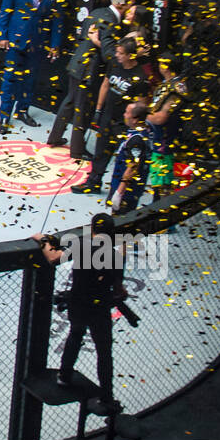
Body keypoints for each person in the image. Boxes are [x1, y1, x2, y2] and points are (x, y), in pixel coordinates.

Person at [47, 212, 125, 412]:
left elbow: (54, 258)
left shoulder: (81, 247)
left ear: (93, 229)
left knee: (75, 335)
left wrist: (43, 240)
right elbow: (119, 289)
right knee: (104, 352)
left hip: (79, 303)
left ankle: (64, 375)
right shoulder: (114, 256)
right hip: (99, 307)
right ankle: (106, 395)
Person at [48, 0, 134, 158]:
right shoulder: (110, 22)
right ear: (120, 4)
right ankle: (77, 151)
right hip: (89, 71)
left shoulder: (97, 12)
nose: (131, 8)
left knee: (70, 102)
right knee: (82, 110)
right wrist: (99, 43)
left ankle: (55, 137)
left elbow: (82, 36)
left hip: (77, 64)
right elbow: (109, 54)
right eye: (130, 4)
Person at [73, 36, 151, 195]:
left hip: (124, 123)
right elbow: (105, 85)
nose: (117, 55)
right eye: (117, 51)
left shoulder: (140, 78)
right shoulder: (114, 64)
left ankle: (120, 190)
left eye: (121, 53)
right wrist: (98, 110)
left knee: (124, 157)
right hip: (107, 116)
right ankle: (93, 182)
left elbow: (141, 106)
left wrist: (134, 127)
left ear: (130, 55)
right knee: (100, 151)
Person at [0, 0, 66, 131]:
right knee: (10, 78)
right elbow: (6, 9)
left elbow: (58, 20)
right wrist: (2, 36)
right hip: (15, 39)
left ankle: (22, 110)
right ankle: (4, 116)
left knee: (30, 79)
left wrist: (54, 45)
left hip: (38, 42)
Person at [145, 54, 188, 197]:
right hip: (156, 138)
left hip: (165, 142)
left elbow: (161, 117)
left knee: (161, 181)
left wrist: (142, 114)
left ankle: (159, 206)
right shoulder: (167, 83)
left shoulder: (177, 88)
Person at [107, 102, 153, 215]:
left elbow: (133, 168)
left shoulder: (136, 140)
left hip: (128, 192)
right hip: (127, 187)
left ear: (135, 120)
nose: (124, 115)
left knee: (120, 221)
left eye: (127, 113)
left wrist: (119, 193)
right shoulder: (144, 130)